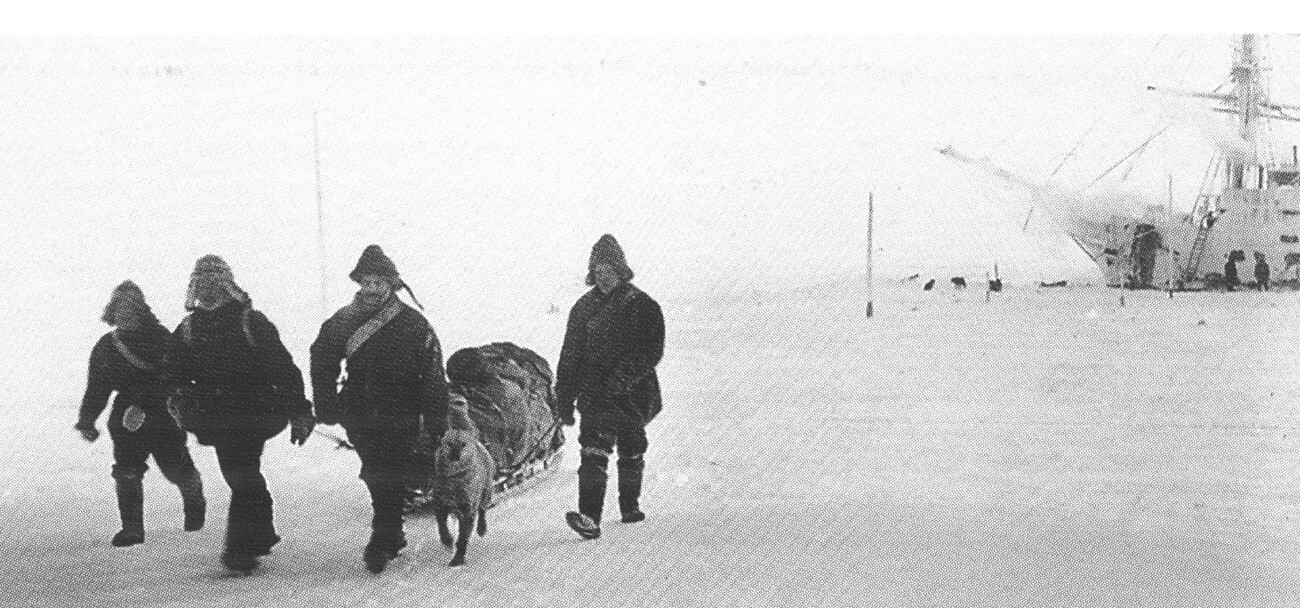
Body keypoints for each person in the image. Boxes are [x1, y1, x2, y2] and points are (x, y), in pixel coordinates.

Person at [162, 255, 314, 572]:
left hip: (255, 413)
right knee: (241, 475)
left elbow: (283, 369)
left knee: (239, 474)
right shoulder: (188, 329)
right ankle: (260, 533)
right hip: (216, 416)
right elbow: (172, 372)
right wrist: (179, 396)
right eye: (201, 285)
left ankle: (241, 549)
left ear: (227, 286)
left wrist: (300, 410)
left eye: (214, 284)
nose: (207, 291)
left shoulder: (251, 322)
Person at [310, 245, 449, 573]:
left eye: (379, 282)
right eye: (366, 282)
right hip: (359, 410)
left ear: (392, 285)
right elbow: (322, 357)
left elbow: (432, 373)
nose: (371, 288)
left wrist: (435, 418)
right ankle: (391, 530)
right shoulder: (344, 320)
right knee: (377, 472)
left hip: (402, 410)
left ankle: (382, 536)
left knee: (389, 470)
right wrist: (326, 400)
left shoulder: (415, 324)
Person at [76, 281, 206, 547]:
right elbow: (97, 388)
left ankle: (194, 503)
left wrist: (145, 404)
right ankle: (132, 529)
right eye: (119, 308)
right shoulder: (106, 346)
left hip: (164, 416)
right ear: (112, 312)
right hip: (125, 420)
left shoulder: (161, 338)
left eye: (130, 308)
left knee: (175, 468)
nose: (124, 314)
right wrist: (87, 421)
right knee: (126, 471)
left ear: (140, 311)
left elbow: (174, 377)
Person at [556, 234, 665, 540]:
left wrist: (624, 376)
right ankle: (589, 518)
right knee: (593, 451)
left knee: (632, 449)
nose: (603, 278)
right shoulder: (582, 309)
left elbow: (652, 350)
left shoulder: (643, 306)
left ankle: (629, 506)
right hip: (595, 394)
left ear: (621, 270)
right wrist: (564, 396)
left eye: (609, 271)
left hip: (633, 394)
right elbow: (570, 355)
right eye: (598, 272)